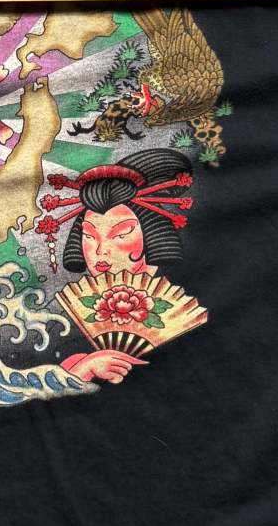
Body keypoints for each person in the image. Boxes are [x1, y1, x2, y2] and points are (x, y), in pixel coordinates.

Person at [38, 149, 195, 385]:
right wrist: (82, 369)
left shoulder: (187, 295)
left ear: (151, 233)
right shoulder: (62, 317)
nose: (101, 251)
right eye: (89, 236)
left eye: (121, 234)